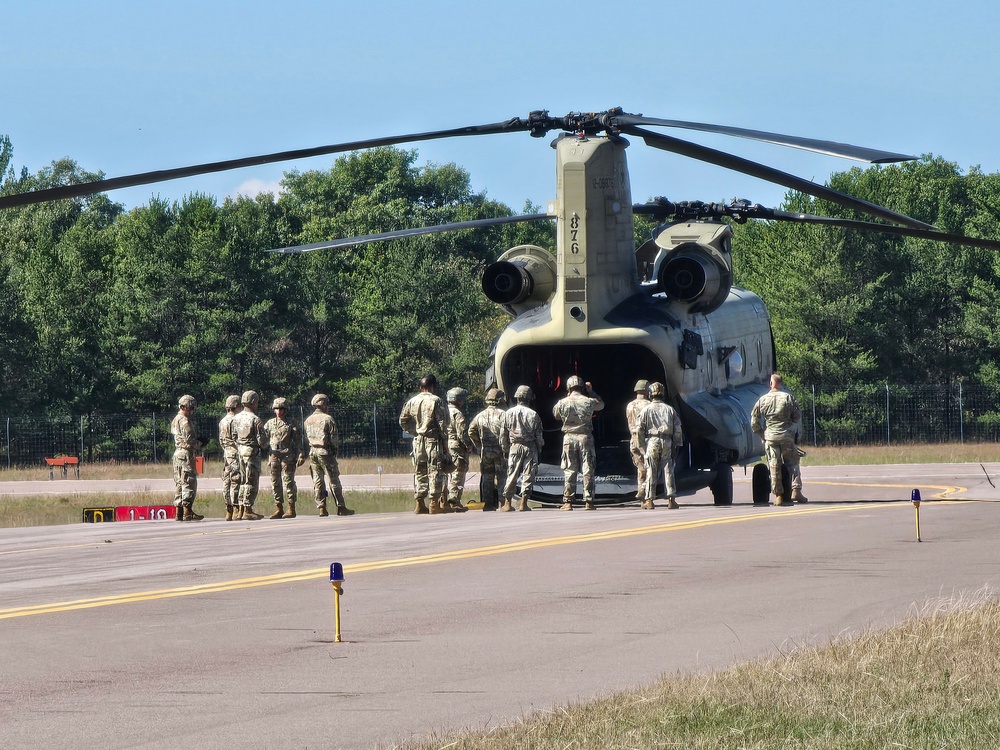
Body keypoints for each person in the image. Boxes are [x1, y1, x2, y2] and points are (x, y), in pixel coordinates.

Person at [398, 374, 453, 515]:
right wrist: (446, 447)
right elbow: (442, 424)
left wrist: (414, 431)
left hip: (418, 441)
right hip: (433, 440)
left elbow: (402, 421)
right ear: (433, 386)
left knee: (420, 471)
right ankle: (434, 503)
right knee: (435, 470)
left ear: (420, 387)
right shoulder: (437, 401)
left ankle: (419, 503)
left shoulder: (412, 401)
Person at [750, 373, 806, 506]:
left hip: (770, 437)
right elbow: (797, 417)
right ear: (780, 383)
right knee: (793, 462)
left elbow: (754, 421)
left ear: (771, 384)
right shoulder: (788, 398)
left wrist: (761, 434)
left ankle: (779, 496)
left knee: (774, 465)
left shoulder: (762, 400)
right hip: (786, 435)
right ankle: (796, 490)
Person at [552, 376, 605, 510]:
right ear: (582, 387)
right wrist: (591, 392)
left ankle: (568, 502)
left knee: (570, 469)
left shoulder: (562, 402)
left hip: (569, 438)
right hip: (585, 437)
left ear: (568, 388)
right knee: (588, 469)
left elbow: (556, 415)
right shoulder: (589, 401)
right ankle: (588, 501)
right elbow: (601, 405)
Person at [304, 393, 355, 517]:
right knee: (333, 480)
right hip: (325, 452)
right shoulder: (328, 419)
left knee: (318, 481)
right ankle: (341, 506)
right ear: (323, 404)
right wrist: (334, 451)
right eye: (327, 403)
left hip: (313, 452)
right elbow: (334, 439)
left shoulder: (308, 420)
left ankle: (322, 507)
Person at [637, 382, 683, 509]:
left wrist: (642, 446)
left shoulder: (646, 410)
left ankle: (650, 500)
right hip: (667, 441)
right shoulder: (670, 410)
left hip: (652, 441)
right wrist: (676, 445)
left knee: (651, 470)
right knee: (668, 470)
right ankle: (671, 499)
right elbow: (677, 429)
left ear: (650, 394)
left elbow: (639, 429)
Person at [500, 385, 544, 512]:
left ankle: (507, 503)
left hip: (514, 446)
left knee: (512, 473)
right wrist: (539, 447)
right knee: (528, 474)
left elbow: (503, 434)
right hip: (530, 447)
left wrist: (505, 449)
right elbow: (539, 436)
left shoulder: (508, 413)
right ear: (529, 398)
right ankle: (523, 503)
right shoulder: (533, 414)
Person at [229, 389, 269, 520]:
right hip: (252, 452)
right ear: (253, 403)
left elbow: (233, 436)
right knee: (251, 481)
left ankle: (240, 509)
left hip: (240, 451)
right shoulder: (255, 419)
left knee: (242, 481)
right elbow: (262, 441)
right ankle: (248, 509)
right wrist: (266, 444)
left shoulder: (235, 419)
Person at [264, 397, 306, 519]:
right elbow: (263, 438)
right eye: (276, 408)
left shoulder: (291, 423)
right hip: (274, 455)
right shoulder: (270, 424)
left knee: (288, 481)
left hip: (287, 455)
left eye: (281, 408)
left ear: (285, 410)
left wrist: (301, 453)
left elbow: (298, 440)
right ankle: (279, 507)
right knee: (275, 482)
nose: (279, 411)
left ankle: (291, 508)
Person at [468, 388, 507, 512]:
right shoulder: (504, 414)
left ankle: (488, 504)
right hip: (500, 451)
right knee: (502, 477)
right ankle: (503, 503)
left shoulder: (480, 416)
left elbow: (471, 431)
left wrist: (479, 445)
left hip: (486, 451)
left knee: (487, 477)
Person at [171, 394, 203, 521]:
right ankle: (187, 511)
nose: (193, 410)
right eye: (192, 407)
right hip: (185, 453)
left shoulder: (175, 419)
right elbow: (190, 439)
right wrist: (200, 443)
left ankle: (178, 512)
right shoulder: (184, 421)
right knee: (189, 481)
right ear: (186, 407)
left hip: (178, 453)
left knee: (179, 482)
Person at [444, 387, 473, 512]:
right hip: (456, 446)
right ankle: (454, 501)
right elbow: (462, 433)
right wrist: (468, 445)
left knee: (446, 472)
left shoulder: (443, 411)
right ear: (459, 400)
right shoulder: (457, 413)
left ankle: (444, 499)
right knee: (458, 473)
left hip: (445, 445)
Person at [626, 379, 650, 506]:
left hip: (633, 439)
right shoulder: (648, 405)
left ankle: (642, 497)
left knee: (640, 468)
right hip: (645, 440)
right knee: (649, 468)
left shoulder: (629, 405)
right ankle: (645, 494)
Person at [218, 394, 242, 521]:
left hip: (226, 453)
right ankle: (237, 507)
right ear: (237, 406)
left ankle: (228, 509)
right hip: (235, 452)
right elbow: (238, 438)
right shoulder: (236, 420)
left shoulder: (222, 421)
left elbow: (221, 439)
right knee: (236, 480)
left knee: (226, 481)